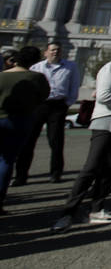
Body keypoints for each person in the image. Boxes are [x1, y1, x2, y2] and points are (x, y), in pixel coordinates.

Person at [51, 35, 111, 232]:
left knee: (108, 169)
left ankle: (96, 208)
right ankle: (68, 212)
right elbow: (104, 95)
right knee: (92, 167)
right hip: (107, 122)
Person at [15, 40, 80, 185]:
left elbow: (74, 86)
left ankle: (56, 173)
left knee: (56, 141)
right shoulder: (36, 67)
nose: (55, 52)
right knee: (29, 141)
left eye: (58, 50)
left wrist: (67, 103)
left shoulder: (70, 66)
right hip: (39, 105)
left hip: (58, 106)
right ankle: (21, 175)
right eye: (52, 50)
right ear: (46, 52)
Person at [0, 47, 50, 214]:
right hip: (20, 121)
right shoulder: (36, 77)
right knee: (7, 162)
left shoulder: (1, 76)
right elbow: (44, 97)